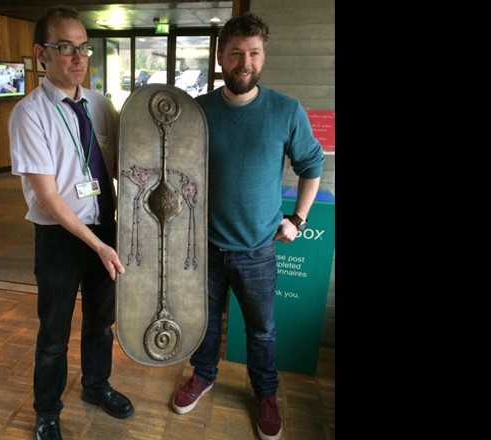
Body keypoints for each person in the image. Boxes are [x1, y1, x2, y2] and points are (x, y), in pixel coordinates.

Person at [170, 12, 325, 440]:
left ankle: (265, 393)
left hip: (257, 249)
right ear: (220, 56)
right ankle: (202, 376)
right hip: (202, 248)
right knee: (203, 322)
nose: (245, 61)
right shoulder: (197, 111)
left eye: (254, 53)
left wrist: (298, 218)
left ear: (263, 57)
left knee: (261, 329)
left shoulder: (285, 110)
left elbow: (312, 165)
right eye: (236, 52)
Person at [8, 6, 133, 440]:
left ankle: (97, 386)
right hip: (60, 240)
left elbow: (121, 167)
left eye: (83, 48)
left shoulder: (101, 105)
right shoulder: (29, 114)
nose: (78, 58)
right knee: (54, 334)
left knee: (101, 322)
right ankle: (47, 411)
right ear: (42, 53)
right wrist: (97, 246)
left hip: (105, 231)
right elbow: (48, 195)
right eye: (66, 48)